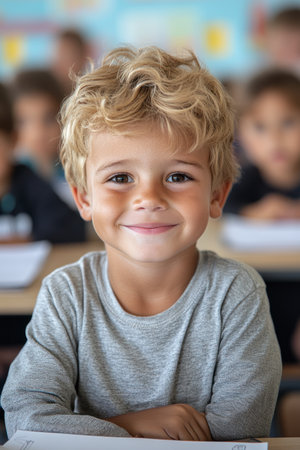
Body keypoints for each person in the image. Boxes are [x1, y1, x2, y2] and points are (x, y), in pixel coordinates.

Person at [1, 46, 281, 441]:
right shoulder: (66, 295)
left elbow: (238, 431)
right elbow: (25, 420)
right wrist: (129, 427)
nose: (148, 198)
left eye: (178, 177)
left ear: (217, 195)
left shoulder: (236, 295)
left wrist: (89, 433)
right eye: (120, 178)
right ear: (83, 198)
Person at [224, 70, 300, 364]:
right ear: (242, 135)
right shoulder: (247, 179)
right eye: (259, 127)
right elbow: (223, 206)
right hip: (263, 294)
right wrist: (253, 212)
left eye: (288, 123)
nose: (275, 139)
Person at [0, 81, 85, 243]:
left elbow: (71, 227)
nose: (37, 133)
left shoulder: (28, 182)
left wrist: (20, 241)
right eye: (24, 121)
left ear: (12, 140)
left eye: (47, 119)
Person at [51, 28, 90, 96]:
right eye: (58, 56)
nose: (59, 64)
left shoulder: (91, 96)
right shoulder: (46, 95)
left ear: (83, 58)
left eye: (66, 56)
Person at [265, 6, 300, 75]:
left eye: (298, 46)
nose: (292, 50)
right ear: (269, 41)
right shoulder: (251, 75)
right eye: (287, 43)